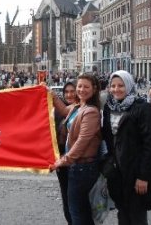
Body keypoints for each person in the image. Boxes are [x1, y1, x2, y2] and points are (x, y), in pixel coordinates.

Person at [102, 70, 151, 225]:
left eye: (121, 85)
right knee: (122, 212)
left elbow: (150, 144)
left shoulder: (142, 108)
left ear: (129, 85)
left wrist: (143, 176)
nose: (116, 89)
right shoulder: (109, 107)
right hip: (118, 171)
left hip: (135, 170)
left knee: (137, 215)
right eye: (113, 85)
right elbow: (108, 138)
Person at [51, 73, 102, 225]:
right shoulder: (79, 107)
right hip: (77, 167)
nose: (81, 90)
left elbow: (82, 142)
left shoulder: (91, 112)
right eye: (79, 86)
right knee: (81, 211)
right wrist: (51, 94)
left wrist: (63, 161)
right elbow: (63, 110)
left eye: (86, 87)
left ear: (94, 89)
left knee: (78, 213)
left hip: (83, 167)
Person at [54, 81, 78, 225]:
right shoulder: (57, 111)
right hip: (61, 159)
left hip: (77, 161)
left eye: (72, 91)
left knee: (77, 199)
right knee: (66, 196)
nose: (69, 94)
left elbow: (66, 111)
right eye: (66, 92)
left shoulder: (82, 108)